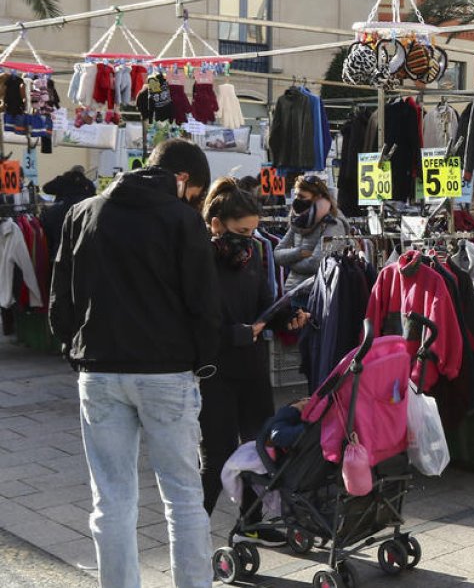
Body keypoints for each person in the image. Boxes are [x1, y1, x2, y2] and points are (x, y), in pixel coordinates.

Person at [49, 138, 220, 588]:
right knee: (183, 495)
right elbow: (204, 306)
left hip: (99, 369)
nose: (195, 202)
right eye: (196, 192)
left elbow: (60, 300)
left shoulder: (82, 212)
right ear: (182, 179)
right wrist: (202, 363)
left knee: (110, 497)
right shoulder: (182, 221)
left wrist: (76, 348)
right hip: (166, 371)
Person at [198, 177, 307, 541]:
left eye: (254, 232)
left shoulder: (254, 255)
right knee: (217, 456)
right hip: (215, 371)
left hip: (252, 367)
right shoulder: (197, 260)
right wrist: (237, 333)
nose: (250, 239)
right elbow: (193, 323)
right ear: (216, 224)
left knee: (260, 449)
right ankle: (192, 533)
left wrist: (287, 316)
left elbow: (265, 303)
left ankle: (252, 525)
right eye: (242, 231)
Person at [274, 175, 348, 297]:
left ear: (318, 197)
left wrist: (289, 262)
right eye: (296, 196)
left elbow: (317, 263)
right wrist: (299, 253)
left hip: (317, 293)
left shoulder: (333, 224)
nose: (297, 200)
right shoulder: (297, 221)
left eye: (302, 197)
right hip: (293, 290)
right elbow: (277, 254)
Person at [40, 166, 96, 257]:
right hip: (83, 219)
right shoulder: (88, 184)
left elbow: (46, 188)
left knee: (59, 245)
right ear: (83, 173)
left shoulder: (62, 181)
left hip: (60, 217)